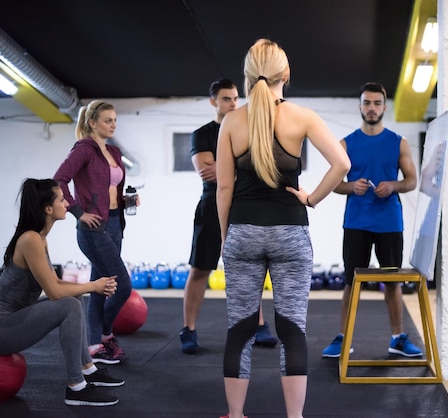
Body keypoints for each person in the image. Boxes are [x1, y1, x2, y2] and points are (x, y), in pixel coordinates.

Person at [216, 39, 350, 418]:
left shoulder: (231, 121)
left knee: (240, 327)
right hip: (290, 233)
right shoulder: (302, 117)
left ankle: (236, 414)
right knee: (292, 328)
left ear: (246, 77)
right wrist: (311, 198)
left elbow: (224, 188)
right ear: (286, 75)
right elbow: (342, 164)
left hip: (243, 231)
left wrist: (228, 239)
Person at [0, 178, 124, 406]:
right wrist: (95, 285)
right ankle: (76, 387)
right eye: (61, 199)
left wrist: (90, 285)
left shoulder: (39, 239)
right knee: (68, 303)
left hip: (14, 321)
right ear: (48, 209)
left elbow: (56, 283)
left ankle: (88, 368)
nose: (67, 203)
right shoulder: (30, 239)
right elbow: (55, 292)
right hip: (4, 331)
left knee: (73, 296)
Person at [321, 82, 422, 358]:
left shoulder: (398, 142)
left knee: (392, 281)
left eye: (377, 103)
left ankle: (398, 338)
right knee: (351, 282)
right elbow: (335, 184)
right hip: (356, 221)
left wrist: (393, 185)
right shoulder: (346, 144)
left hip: (389, 222)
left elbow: (412, 181)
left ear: (384, 107)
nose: (372, 108)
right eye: (367, 103)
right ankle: (344, 338)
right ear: (360, 106)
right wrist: (351, 187)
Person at [180, 78, 278, 354]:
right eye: (226, 99)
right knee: (200, 269)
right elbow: (207, 172)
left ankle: (258, 324)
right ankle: (188, 329)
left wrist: (229, 170)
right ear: (214, 101)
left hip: (244, 206)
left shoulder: (246, 129)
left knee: (252, 268)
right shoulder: (202, 134)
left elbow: (256, 169)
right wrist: (242, 170)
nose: (233, 103)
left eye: (235, 98)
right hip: (211, 206)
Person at [53, 100, 135, 364]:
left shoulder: (113, 151)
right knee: (121, 286)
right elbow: (59, 179)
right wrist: (78, 212)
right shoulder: (84, 149)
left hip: (114, 223)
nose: (113, 125)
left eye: (114, 120)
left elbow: (110, 188)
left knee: (102, 287)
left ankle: (94, 346)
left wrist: (125, 201)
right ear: (92, 123)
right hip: (93, 228)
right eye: (107, 120)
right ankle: (106, 336)